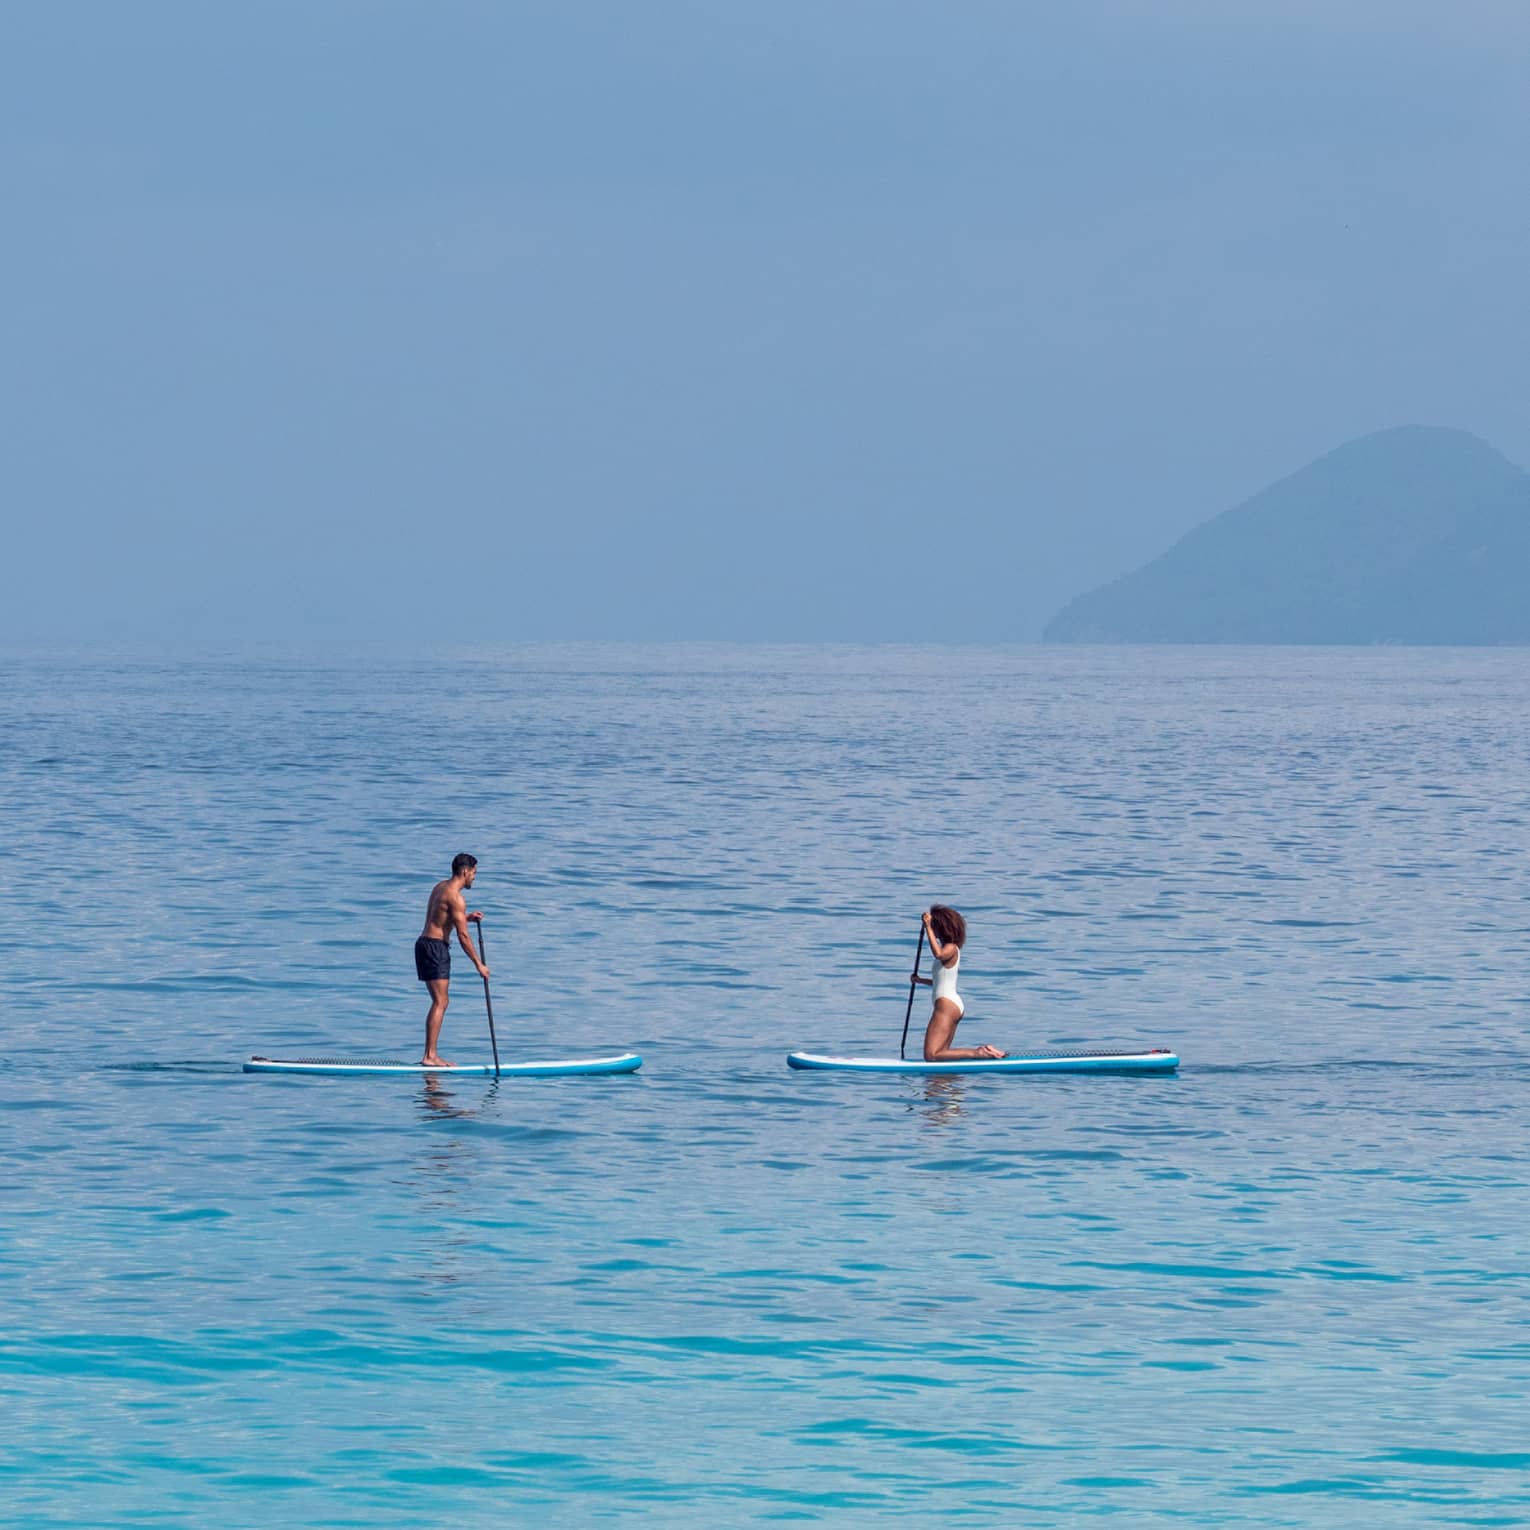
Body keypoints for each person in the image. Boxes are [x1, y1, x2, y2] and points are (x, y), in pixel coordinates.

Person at [415, 852, 489, 1067]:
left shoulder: (440, 887)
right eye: (474, 873)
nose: (474, 877)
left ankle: (430, 1054)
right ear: (465, 872)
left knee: (439, 1001)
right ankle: (430, 1056)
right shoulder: (456, 897)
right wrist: (479, 965)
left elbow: (441, 919)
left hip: (424, 944)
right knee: (441, 1002)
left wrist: (466, 918)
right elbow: (463, 936)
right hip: (435, 948)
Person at [911, 905, 1006, 1062]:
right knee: (942, 1054)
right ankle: (947, 1083)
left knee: (931, 1055)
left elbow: (938, 954)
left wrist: (927, 927)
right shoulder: (950, 948)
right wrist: (920, 980)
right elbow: (941, 981)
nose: (933, 927)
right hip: (951, 1004)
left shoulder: (951, 948)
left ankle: (980, 1053)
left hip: (946, 1006)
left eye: (934, 925)